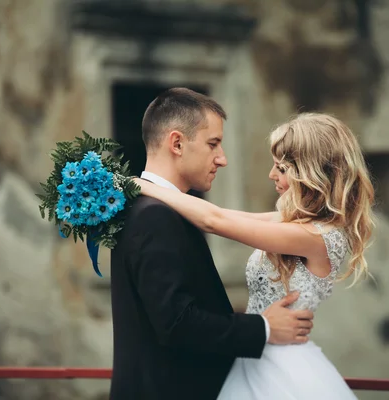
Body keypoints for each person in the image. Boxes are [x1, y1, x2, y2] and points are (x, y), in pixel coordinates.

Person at [134, 112, 375, 399]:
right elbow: (223, 215)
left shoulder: (317, 237)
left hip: (283, 369)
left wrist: (143, 186)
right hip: (255, 356)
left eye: (282, 169)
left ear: (312, 174)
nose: (272, 175)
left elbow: (214, 222)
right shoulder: (292, 223)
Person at [109, 88, 315, 400]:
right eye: (213, 144)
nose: (223, 159)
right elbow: (177, 323)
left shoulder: (149, 208)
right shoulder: (154, 217)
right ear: (177, 143)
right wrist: (264, 328)